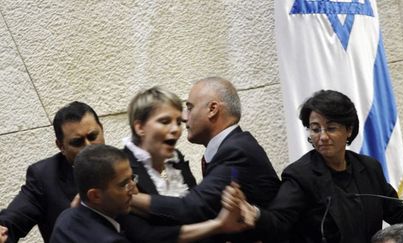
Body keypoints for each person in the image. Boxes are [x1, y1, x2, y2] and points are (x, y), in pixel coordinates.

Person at [223, 90, 403, 243]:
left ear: (349, 130)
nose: (322, 137)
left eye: (331, 128)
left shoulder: (368, 168)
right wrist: (257, 214)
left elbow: (396, 211)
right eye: (315, 129)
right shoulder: (300, 175)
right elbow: (280, 220)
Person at [131, 76, 281, 242]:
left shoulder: (237, 151)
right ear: (140, 128)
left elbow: (193, 208)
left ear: (212, 109)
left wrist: (127, 198)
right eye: (165, 121)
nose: (183, 118)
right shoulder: (229, 147)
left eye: (189, 108)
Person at [51, 144, 250, 243]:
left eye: (132, 178)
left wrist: (219, 225)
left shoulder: (65, 218)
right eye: (123, 185)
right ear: (95, 196)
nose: (133, 189)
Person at [0, 101, 105, 242]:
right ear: (61, 146)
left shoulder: (123, 163)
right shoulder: (44, 177)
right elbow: (12, 221)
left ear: (102, 129)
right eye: (77, 142)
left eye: (93, 136)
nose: (89, 147)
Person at [123, 86, 196, 196]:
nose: (176, 129)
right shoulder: (121, 167)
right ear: (140, 128)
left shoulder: (177, 158)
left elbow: (195, 205)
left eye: (178, 122)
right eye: (165, 121)